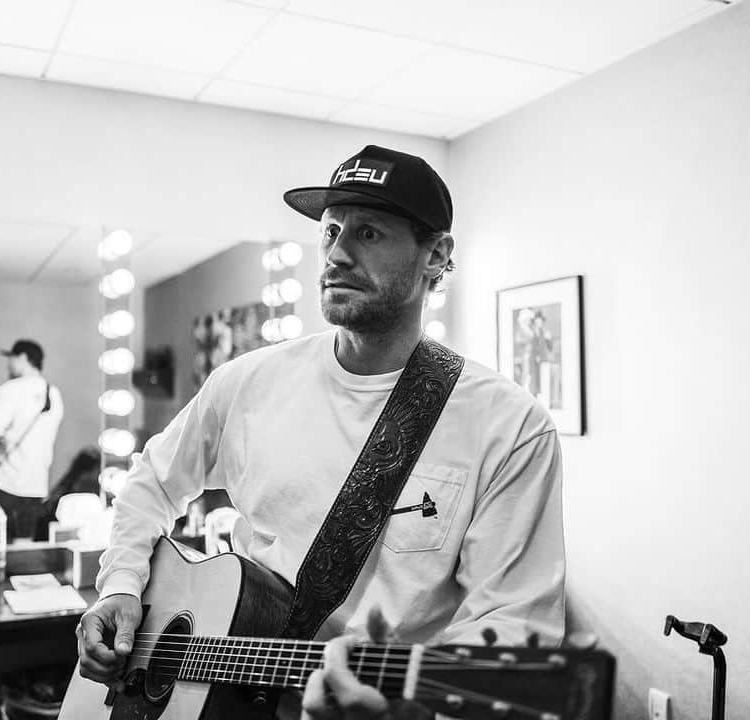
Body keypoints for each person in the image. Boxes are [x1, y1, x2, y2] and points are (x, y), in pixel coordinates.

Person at [75, 145, 565, 719]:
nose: (337, 254)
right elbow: (151, 480)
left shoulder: (508, 425)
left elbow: (512, 628)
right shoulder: (248, 383)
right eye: (331, 232)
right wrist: (121, 586)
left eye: (369, 234)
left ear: (436, 254)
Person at [0, 339, 64, 541]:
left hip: (7, 481)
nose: (9, 365)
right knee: (24, 547)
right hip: (37, 483)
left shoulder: (12, 389)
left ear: (23, 358)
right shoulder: (54, 394)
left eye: (11, 359)